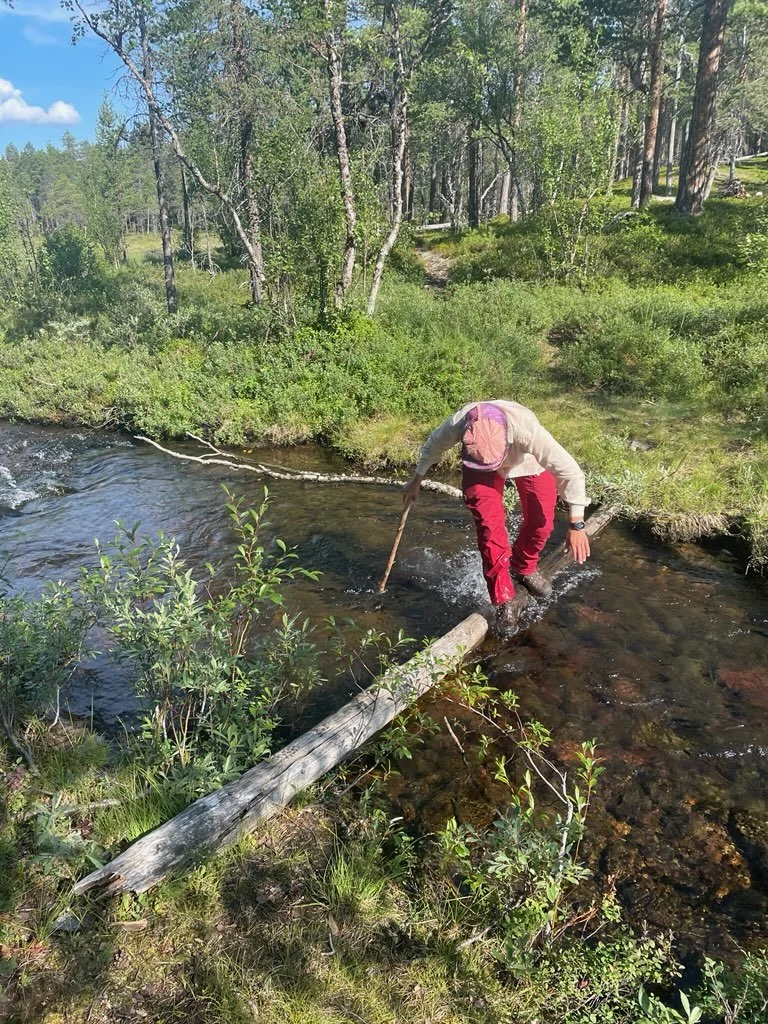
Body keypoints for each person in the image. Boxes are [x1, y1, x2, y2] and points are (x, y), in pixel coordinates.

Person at [402, 400, 590, 627]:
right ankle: (504, 598)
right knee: (490, 530)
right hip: (478, 466)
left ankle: (523, 567)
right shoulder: (458, 423)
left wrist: (576, 523)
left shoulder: (527, 430)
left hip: (527, 461)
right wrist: (416, 480)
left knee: (541, 522)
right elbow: (433, 447)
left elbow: (570, 471)